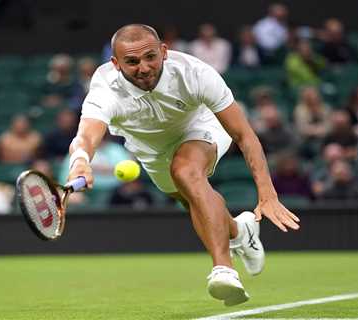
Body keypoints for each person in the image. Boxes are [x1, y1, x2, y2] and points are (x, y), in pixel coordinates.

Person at [67, 24, 300, 306]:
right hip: (150, 150)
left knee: (186, 172)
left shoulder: (194, 73)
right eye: (132, 61)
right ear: (115, 63)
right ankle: (240, 232)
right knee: (193, 200)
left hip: (201, 127)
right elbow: (86, 135)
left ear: (164, 51)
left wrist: (267, 194)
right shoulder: (105, 87)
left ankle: (224, 270)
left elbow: (244, 135)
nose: (143, 67)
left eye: (150, 57)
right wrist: (80, 161)